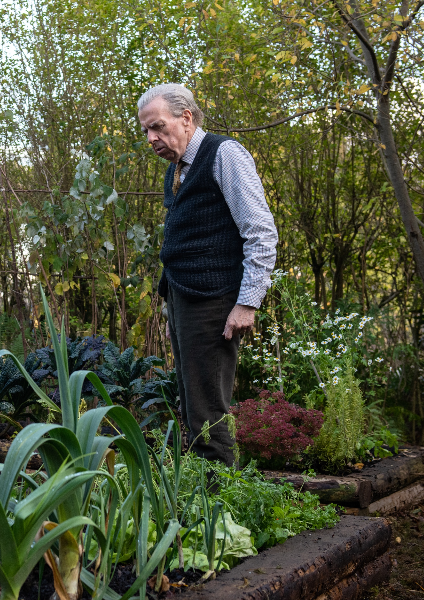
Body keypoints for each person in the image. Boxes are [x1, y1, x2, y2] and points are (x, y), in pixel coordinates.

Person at [137, 83, 277, 467]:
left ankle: (218, 505)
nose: (152, 138)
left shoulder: (224, 154)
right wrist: (173, 310)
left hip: (214, 298)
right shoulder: (176, 170)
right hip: (185, 299)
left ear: (187, 118)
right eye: (146, 130)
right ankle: (202, 493)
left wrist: (248, 302)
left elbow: (260, 232)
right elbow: (181, 242)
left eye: (158, 127)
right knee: (191, 402)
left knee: (208, 408)